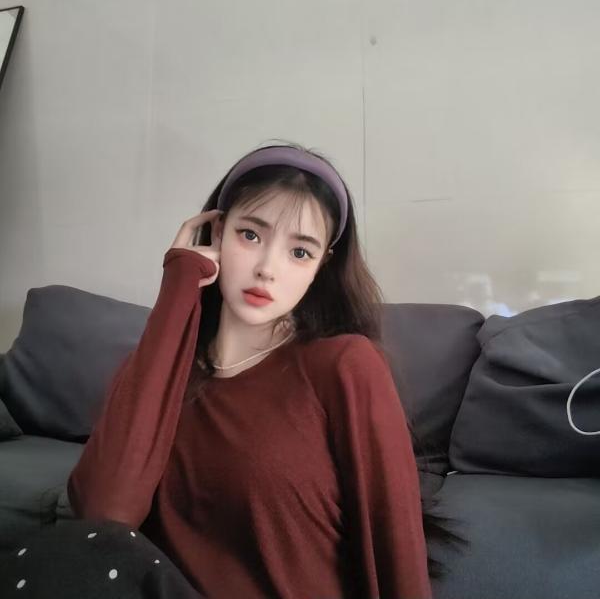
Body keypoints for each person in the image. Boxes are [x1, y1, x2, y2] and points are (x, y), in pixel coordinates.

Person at [4, 140, 468, 598]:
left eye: (300, 252)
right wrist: (179, 286)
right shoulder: (158, 370)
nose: (267, 268)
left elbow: (393, 540)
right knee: (69, 552)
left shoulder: (344, 365)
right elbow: (104, 518)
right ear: (217, 233)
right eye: (250, 235)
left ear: (321, 267)